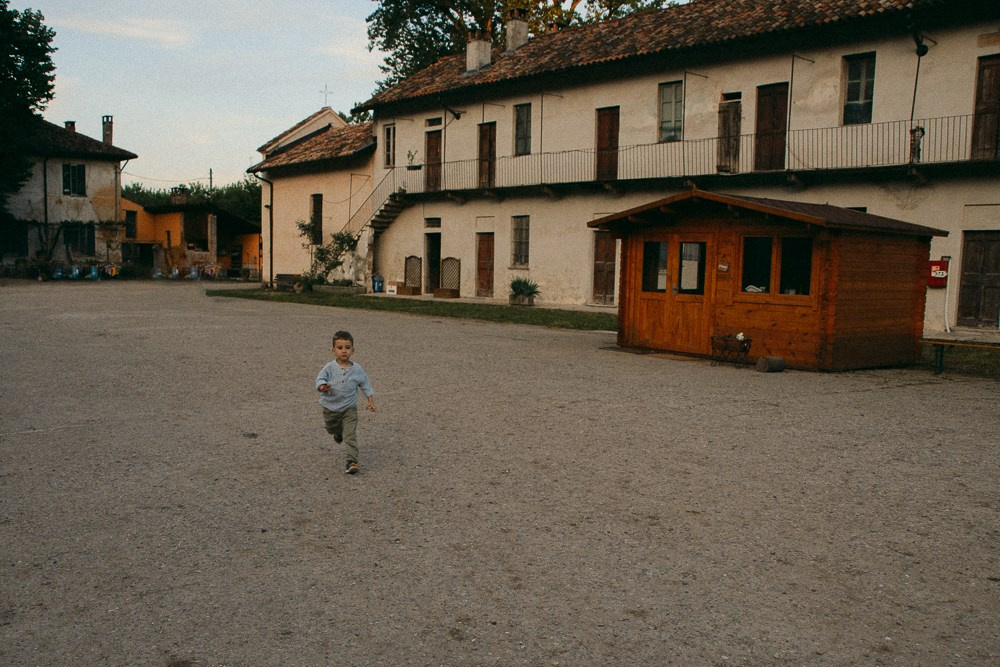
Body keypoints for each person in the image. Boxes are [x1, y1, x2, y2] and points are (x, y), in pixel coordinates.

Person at [316, 330, 376, 474]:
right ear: (333, 350)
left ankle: (352, 461)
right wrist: (323, 387)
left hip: (349, 408)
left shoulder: (357, 370)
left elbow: (365, 384)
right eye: (340, 348)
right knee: (331, 428)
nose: (344, 351)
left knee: (351, 435)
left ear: (353, 350)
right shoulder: (329, 368)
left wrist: (370, 401)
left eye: (347, 348)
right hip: (330, 408)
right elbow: (319, 380)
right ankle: (337, 433)